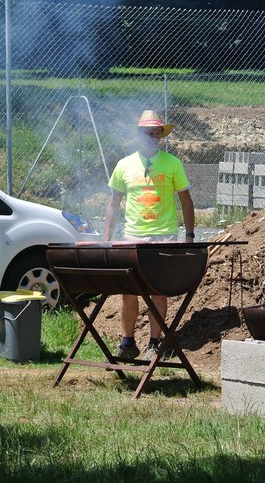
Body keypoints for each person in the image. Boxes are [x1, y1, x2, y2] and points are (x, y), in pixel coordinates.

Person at [104, 110, 196, 361]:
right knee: (128, 291)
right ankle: (127, 342)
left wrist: (189, 236)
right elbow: (113, 203)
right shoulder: (124, 165)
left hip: (163, 237)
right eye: (150, 133)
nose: (155, 137)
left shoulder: (172, 163)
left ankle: (154, 344)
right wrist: (107, 237)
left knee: (158, 291)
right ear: (138, 135)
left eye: (158, 133)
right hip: (132, 237)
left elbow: (186, 201)